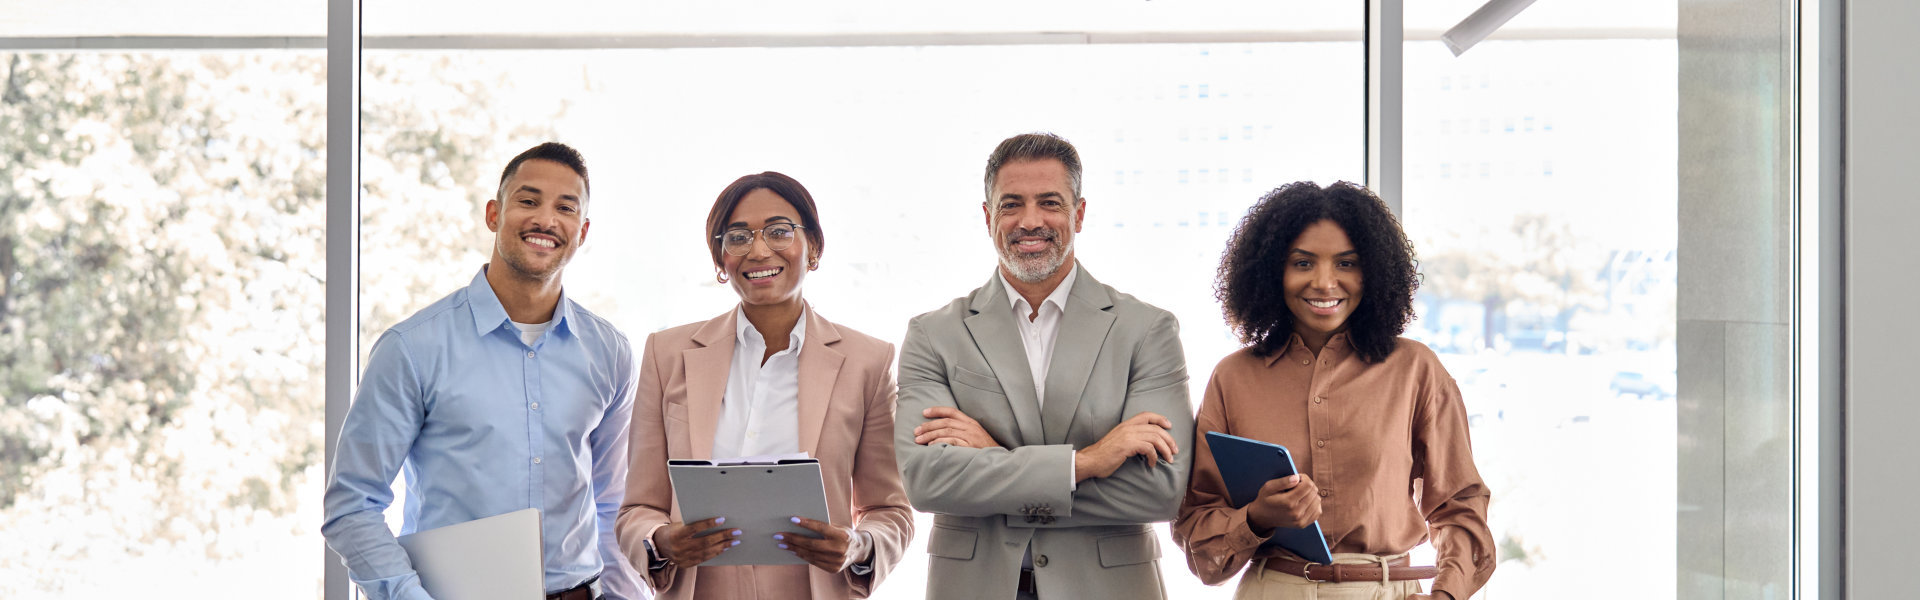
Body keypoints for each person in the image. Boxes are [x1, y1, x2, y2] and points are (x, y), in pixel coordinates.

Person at [323, 142, 641, 600]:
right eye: (528, 201)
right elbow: (352, 504)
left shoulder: (610, 352)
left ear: (583, 231)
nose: (546, 220)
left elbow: (613, 503)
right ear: (494, 214)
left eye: (565, 208)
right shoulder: (412, 348)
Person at [894, 132, 1195, 600]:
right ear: (988, 217)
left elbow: (1160, 490)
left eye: (1049, 203)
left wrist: (993, 457)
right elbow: (927, 480)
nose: (1030, 221)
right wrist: (1087, 462)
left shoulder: (1147, 330)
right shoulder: (932, 334)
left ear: (1079, 213)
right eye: (1011, 204)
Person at [1173, 181, 1495, 600]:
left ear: (1373, 271)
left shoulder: (1416, 369)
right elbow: (1199, 538)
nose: (1325, 283)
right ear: (1272, 271)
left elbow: (1460, 505)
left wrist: (1446, 593)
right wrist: (1257, 517)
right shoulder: (1233, 378)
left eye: (1346, 263)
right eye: (1303, 263)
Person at [615, 172, 914, 599]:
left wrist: (858, 546)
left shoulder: (868, 361)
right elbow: (637, 509)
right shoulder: (667, 355)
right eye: (738, 237)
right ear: (721, 260)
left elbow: (889, 511)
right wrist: (660, 541)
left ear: (813, 247)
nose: (758, 251)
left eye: (779, 231)